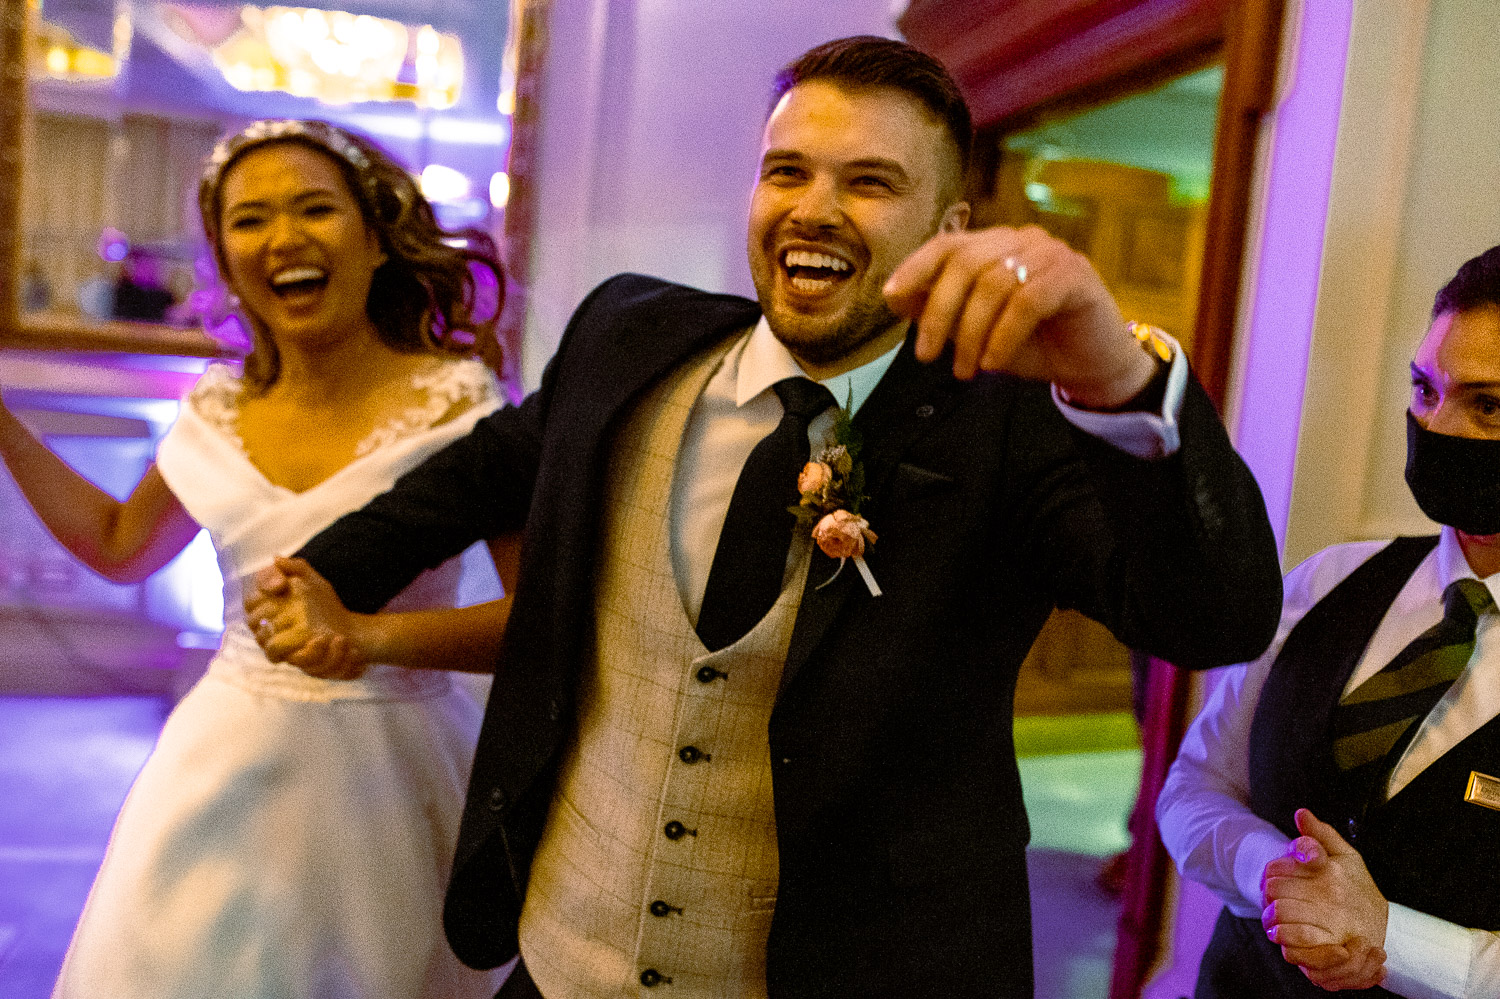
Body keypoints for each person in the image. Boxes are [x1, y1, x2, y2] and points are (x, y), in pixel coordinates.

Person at [247, 38, 1281, 998]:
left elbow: (1216, 616)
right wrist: (328, 573)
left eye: (869, 182)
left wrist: (1116, 374)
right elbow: (479, 471)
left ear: (949, 229)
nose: (814, 209)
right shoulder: (628, 337)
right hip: (560, 958)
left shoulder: (1013, 428)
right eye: (788, 171)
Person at [0, 119, 516, 999]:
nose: (283, 238)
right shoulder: (217, 408)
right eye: (249, 219)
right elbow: (120, 546)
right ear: (227, 262)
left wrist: (374, 639)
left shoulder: (461, 405)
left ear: (375, 239)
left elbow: (537, 619)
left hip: (396, 779)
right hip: (223, 768)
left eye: (315, 208)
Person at [1157, 243, 1500, 999]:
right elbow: (1194, 787)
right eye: (1425, 389)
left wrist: (1388, 938)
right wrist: (1274, 871)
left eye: (1488, 406)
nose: (1439, 426)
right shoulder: (1330, 580)